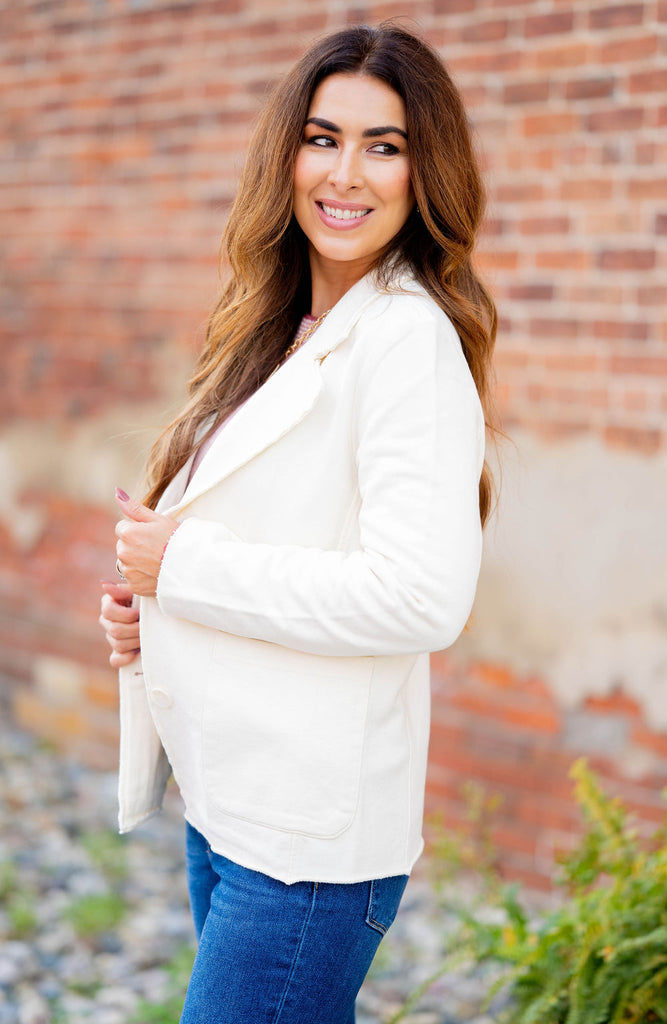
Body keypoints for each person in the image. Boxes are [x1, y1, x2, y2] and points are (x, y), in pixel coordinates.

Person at [98, 22, 497, 1024]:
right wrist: (158, 615)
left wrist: (183, 567)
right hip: (234, 807)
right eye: (322, 138)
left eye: (383, 146)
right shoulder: (279, 330)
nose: (344, 173)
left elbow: (418, 596)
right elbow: (291, 540)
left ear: (423, 172)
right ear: (285, 153)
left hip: (306, 850)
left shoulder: (405, 341)